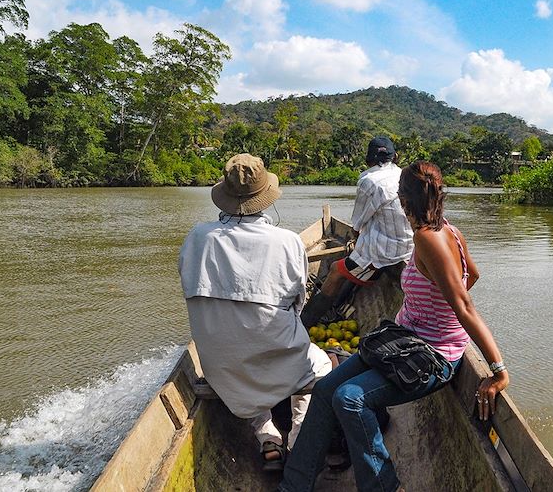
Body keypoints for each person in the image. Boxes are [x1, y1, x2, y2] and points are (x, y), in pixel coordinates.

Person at [278, 161, 510, 492]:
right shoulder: (450, 231)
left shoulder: (429, 239)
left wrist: (498, 369)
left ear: (402, 200)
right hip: (402, 341)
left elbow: (464, 305)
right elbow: (472, 275)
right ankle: (293, 485)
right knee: (328, 387)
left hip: (433, 356)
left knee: (349, 399)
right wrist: (433, 304)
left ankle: (385, 487)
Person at [178, 153, 332, 471]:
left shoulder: (196, 238)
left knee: (238, 341)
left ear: (224, 197)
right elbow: (296, 305)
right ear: (265, 198)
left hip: (220, 368)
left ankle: (267, 435)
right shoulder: (287, 242)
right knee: (318, 365)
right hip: (274, 360)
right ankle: (299, 442)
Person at [301, 136, 414, 327]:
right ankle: (338, 305)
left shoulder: (368, 180)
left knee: (337, 269)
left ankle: (306, 321)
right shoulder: (404, 175)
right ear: (395, 157)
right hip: (408, 250)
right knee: (355, 259)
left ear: (368, 160)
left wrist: (356, 243)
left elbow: (357, 226)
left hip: (385, 252)